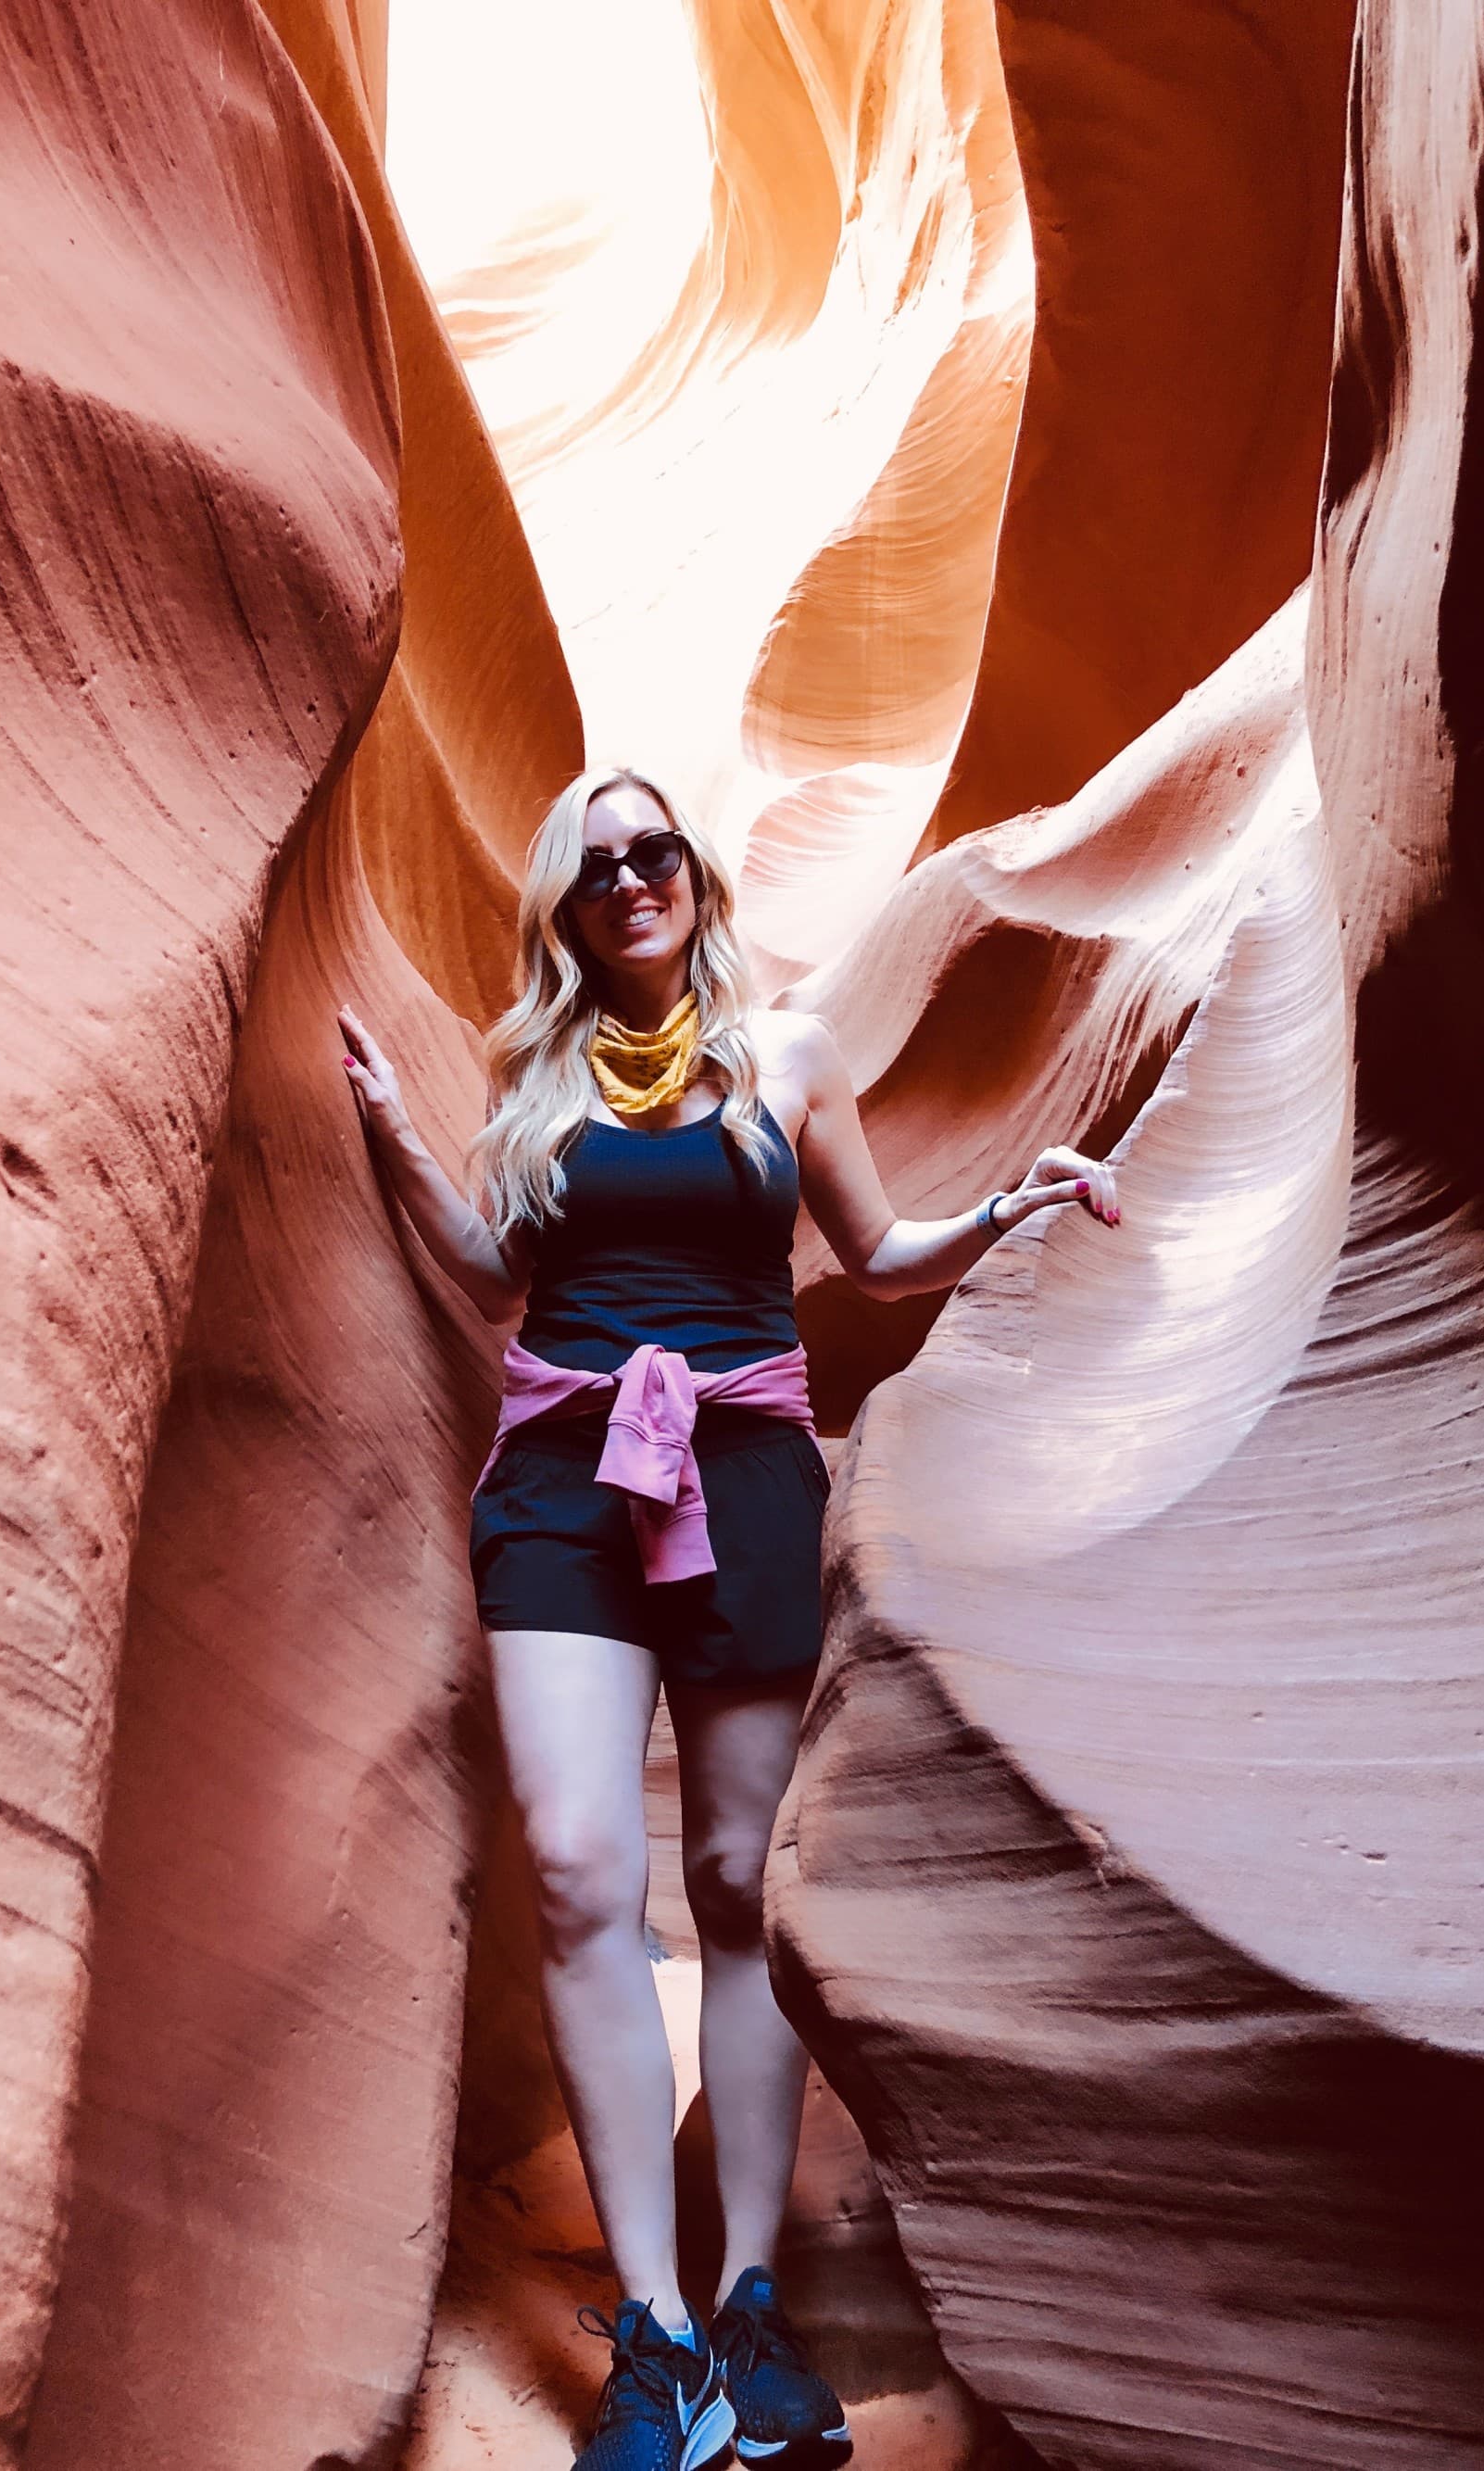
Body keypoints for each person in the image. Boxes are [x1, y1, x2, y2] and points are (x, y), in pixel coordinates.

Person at [337, 765, 1120, 2471]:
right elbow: (502, 1278)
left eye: (654, 851)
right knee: (574, 1869)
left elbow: (880, 1251)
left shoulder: (792, 1056)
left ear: (693, 872)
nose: (632, 880)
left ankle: (752, 2302)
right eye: (597, 865)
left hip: (749, 1476)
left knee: (735, 1882)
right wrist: (402, 1143)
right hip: (560, 1483)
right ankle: (661, 2333)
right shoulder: (531, 1068)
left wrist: (1010, 1209)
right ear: (567, 904)